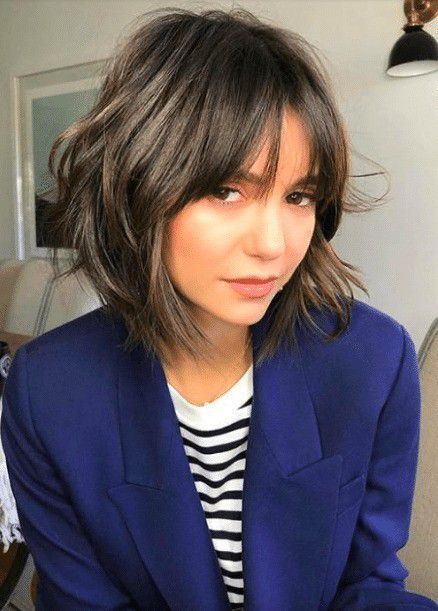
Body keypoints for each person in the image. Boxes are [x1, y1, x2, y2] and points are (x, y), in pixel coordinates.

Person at [1, 6, 436, 610]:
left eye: (299, 196)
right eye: (226, 190)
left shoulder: (372, 360)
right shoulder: (48, 391)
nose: (273, 245)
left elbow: (369, 584)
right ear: (136, 188)